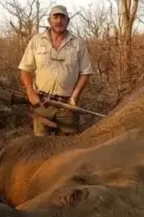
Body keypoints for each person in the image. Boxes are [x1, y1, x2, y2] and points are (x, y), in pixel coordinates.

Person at [18, 4, 95, 136]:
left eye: (62, 17)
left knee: (68, 150)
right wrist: (30, 92)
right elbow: (25, 69)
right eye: (56, 17)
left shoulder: (78, 43)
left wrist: (74, 97)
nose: (59, 21)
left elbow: (85, 73)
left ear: (68, 21)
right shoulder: (36, 41)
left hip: (67, 108)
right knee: (41, 148)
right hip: (42, 105)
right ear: (49, 20)